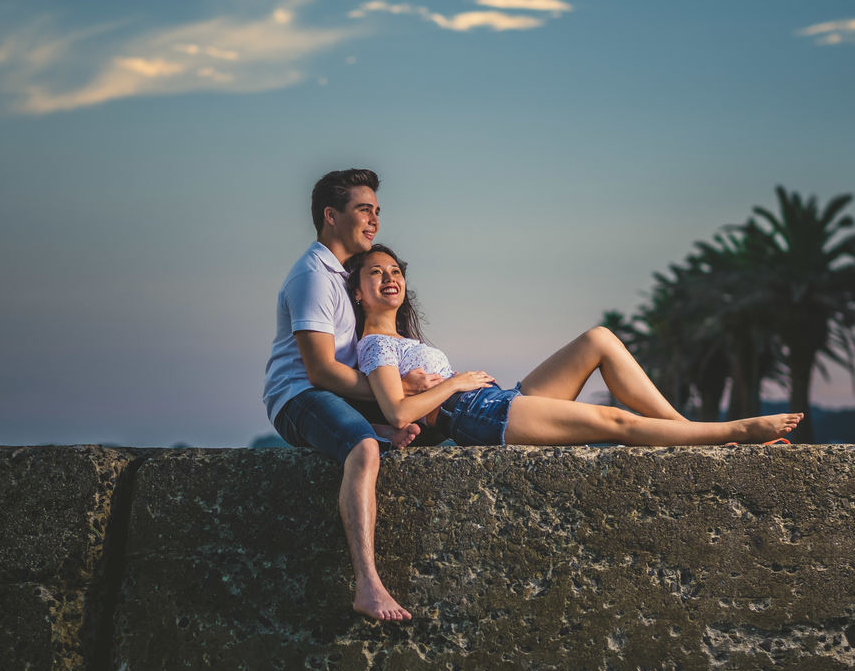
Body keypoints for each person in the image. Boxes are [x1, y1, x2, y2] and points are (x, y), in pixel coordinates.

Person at [346, 244, 803, 449]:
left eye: (395, 271)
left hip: (496, 401)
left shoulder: (400, 341)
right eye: (376, 273)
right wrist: (456, 383)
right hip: (477, 416)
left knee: (599, 340)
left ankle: (687, 432)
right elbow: (399, 415)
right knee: (615, 421)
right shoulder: (374, 346)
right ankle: (736, 433)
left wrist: (447, 385)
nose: (390, 278)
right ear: (358, 293)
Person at [264, 170, 438, 623]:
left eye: (377, 211)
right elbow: (320, 370)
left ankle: (378, 429)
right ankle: (368, 585)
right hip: (299, 397)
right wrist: (393, 395)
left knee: (427, 423)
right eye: (364, 210)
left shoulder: (343, 276)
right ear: (330, 216)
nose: (374, 220)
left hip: (334, 393)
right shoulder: (313, 277)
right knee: (363, 448)